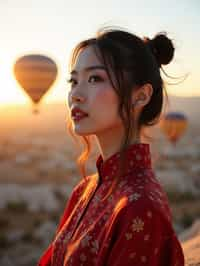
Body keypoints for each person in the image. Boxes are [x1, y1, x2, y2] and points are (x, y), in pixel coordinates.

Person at [38, 27, 185, 266]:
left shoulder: (140, 208)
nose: (75, 94)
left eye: (95, 78)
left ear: (140, 96)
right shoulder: (84, 190)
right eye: (73, 81)